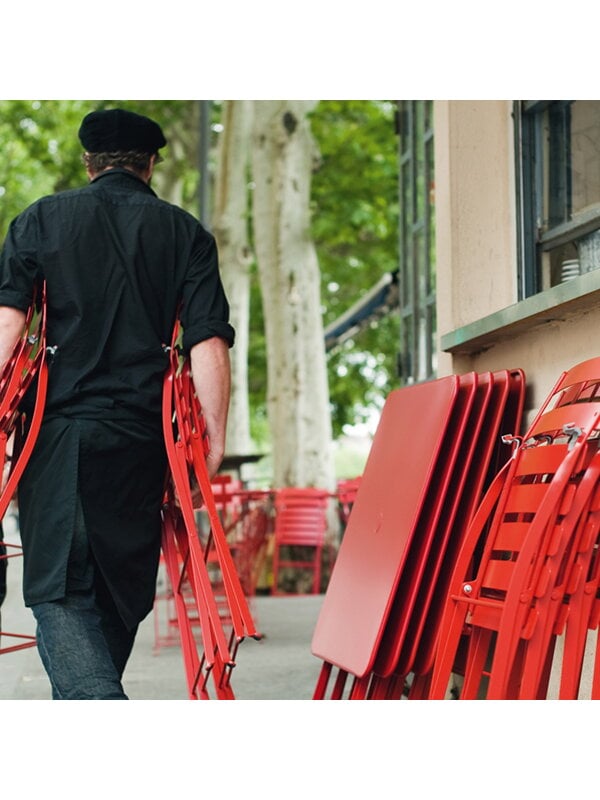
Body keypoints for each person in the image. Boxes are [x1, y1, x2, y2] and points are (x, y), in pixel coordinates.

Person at [0, 107, 235, 699]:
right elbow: (207, 341)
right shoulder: (185, 233)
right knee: (118, 592)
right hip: (144, 444)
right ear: (150, 164)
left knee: (60, 591)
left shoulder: (41, 221)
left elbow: (7, 326)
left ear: (89, 162)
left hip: (58, 438)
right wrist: (214, 437)